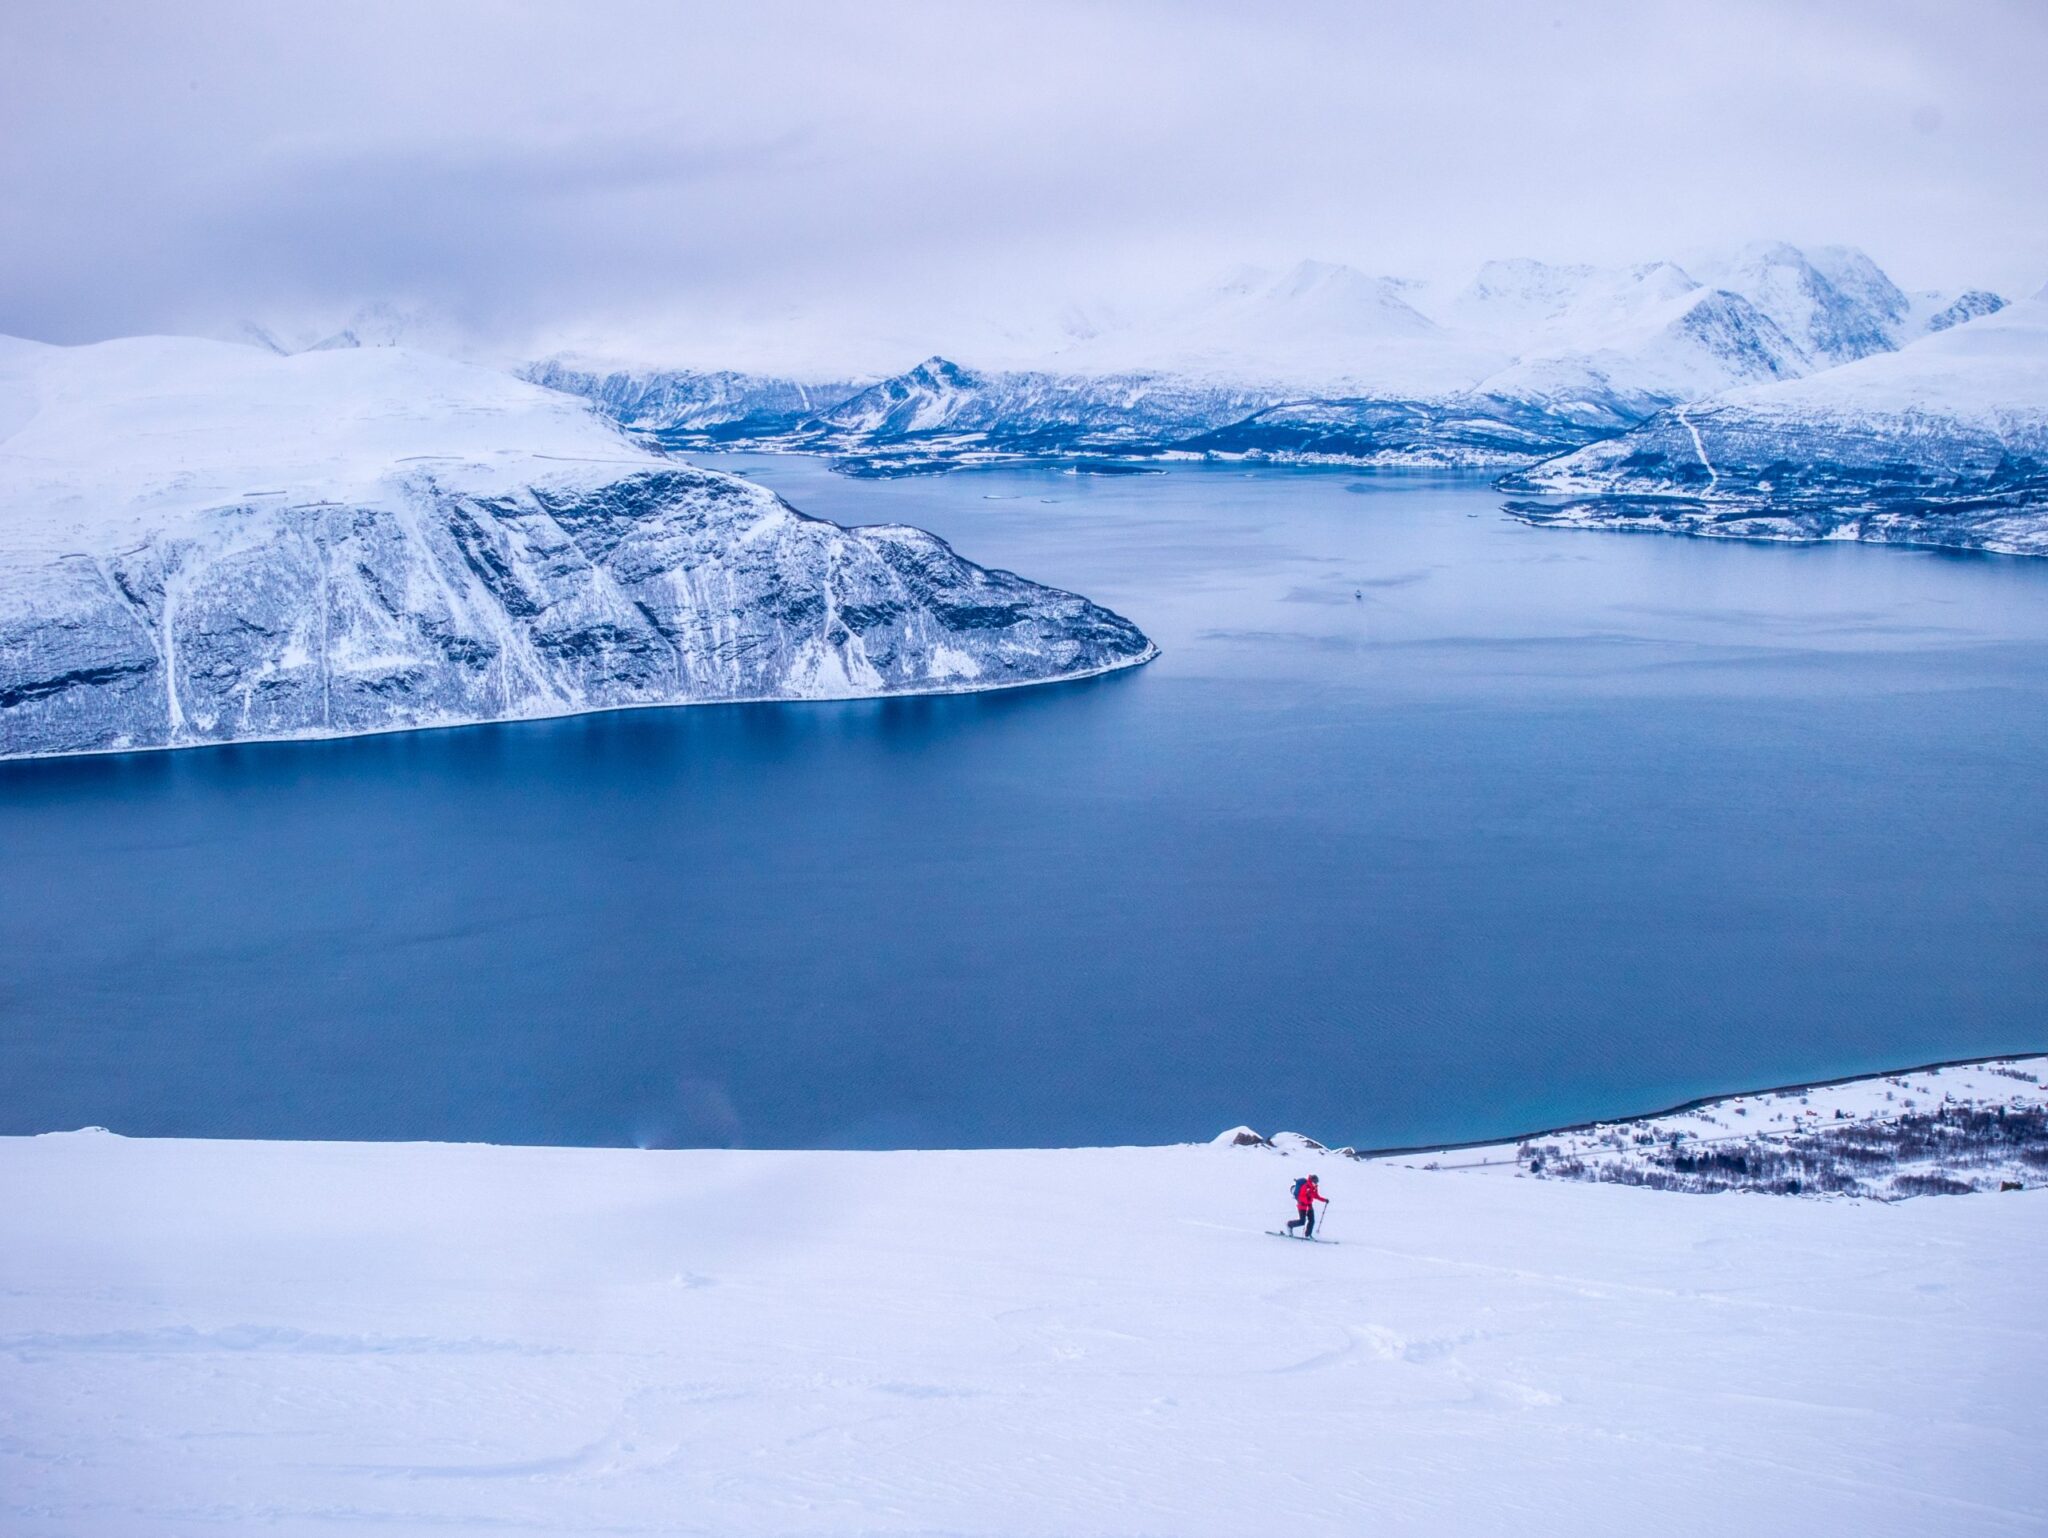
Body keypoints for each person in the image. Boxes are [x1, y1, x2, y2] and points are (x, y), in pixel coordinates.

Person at [1286, 1172, 1329, 1238]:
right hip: (1302, 1205)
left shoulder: (1314, 1187)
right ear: (1312, 1181)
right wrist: (1307, 1198)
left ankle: (1308, 1235)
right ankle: (1289, 1225)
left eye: (1316, 1182)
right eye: (1315, 1182)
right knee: (1302, 1221)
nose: (1316, 1183)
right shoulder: (1305, 1186)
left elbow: (1316, 1196)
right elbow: (1300, 1197)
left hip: (1309, 1205)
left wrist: (1324, 1200)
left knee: (1312, 1220)